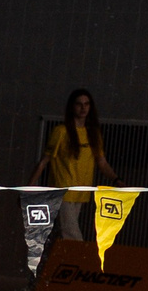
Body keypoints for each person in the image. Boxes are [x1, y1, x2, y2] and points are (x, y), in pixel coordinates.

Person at [37, 89, 120, 241]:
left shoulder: (93, 133)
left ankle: (61, 258)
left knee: (66, 232)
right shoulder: (61, 132)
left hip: (81, 191)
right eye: (79, 104)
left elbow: (102, 162)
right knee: (72, 234)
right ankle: (81, 259)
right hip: (63, 189)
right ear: (72, 107)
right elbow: (44, 161)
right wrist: (29, 188)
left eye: (86, 104)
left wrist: (115, 179)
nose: (83, 108)